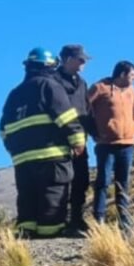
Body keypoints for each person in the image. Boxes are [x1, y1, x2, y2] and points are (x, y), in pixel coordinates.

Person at [0, 48, 86, 238]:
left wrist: (15, 150)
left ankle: (26, 232)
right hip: (51, 155)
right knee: (52, 196)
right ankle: (49, 235)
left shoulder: (14, 94)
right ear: (49, 66)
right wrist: (78, 142)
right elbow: (66, 118)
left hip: (22, 160)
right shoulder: (50, 86)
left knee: (27, 197)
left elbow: (3, 128)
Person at [89, 61, 134, 228]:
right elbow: (85, 109)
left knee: (123, 182)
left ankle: (124, 219)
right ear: (121, 74)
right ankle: (99, 218)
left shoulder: (131, 90)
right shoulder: (100, 87)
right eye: (132, 75)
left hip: (127, 144)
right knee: (103, 181)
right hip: (106, 144)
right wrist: (94, 131)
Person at [54, 45, 95, 234]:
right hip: (59, 142)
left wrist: (96, 133)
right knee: (61, 182)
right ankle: (58, 222)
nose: (84, 63)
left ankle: (77, 219)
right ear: (68, 59)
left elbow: (86, 111)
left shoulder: (82, 83)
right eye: (80, 59)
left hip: (81, 141)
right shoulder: (53, 81)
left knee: (81, 180)